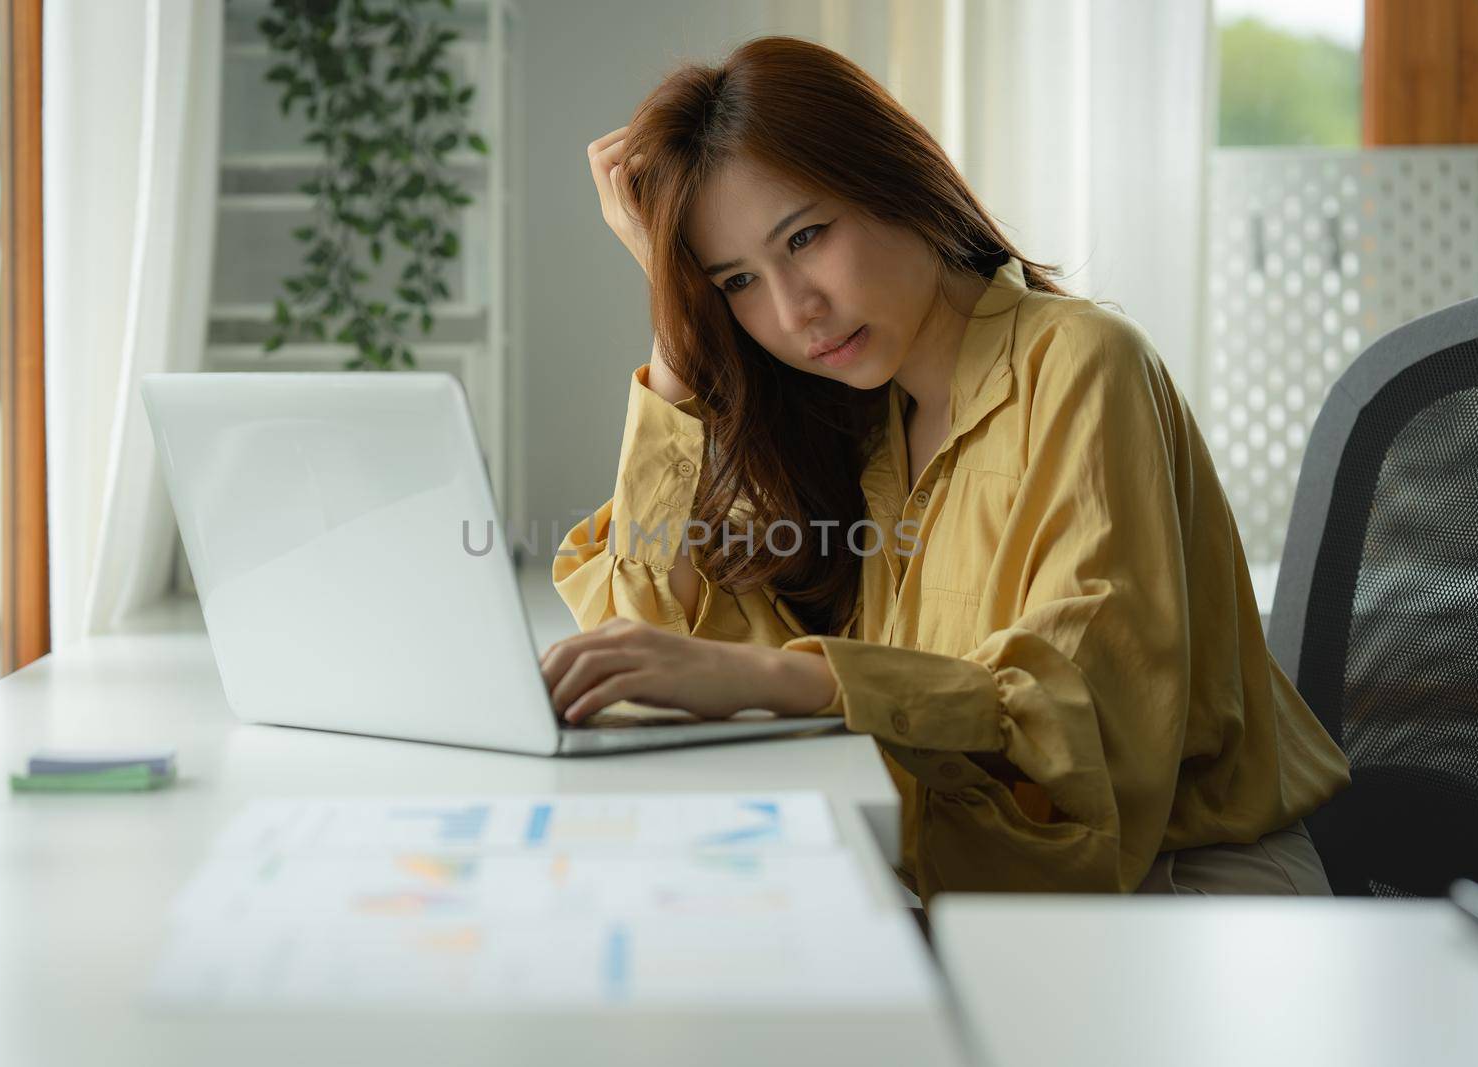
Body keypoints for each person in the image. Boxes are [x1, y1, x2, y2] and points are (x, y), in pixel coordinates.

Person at [539, 35, 1351, 898]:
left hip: (1179, 889)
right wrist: (676, 321)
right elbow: (647, 626)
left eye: (806, 236)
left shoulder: (1080, 362)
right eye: (738, 282)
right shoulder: (850, 422)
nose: (793, 310)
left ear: (896, 180)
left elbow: (1085, 715)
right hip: (973, 876)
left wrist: (788, 675)